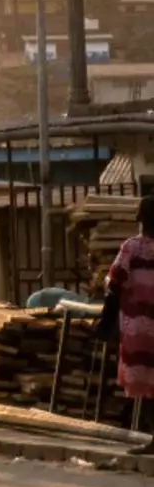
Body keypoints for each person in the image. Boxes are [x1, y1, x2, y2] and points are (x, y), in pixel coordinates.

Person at [103, 191, 154, 456]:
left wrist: (105, 322)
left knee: (147, 386)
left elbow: (115, 282)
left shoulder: (131, 247)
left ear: (140, 219)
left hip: (139, 328)